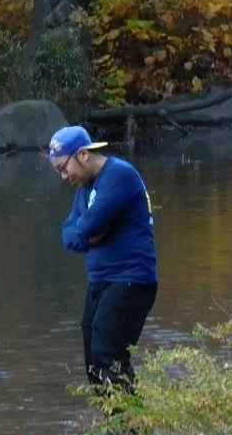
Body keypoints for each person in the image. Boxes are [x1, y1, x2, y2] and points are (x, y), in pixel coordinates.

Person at [48, 124, 158, 386]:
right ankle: (115, 424)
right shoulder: (85, 186)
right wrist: (88, 233)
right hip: (101, 281)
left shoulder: (118, 176)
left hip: (130, 280)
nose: (63, 176)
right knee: (93, 365)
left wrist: (87, 231)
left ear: (83, 154)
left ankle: (131, 425)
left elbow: (86, 227)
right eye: (58, 171)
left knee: (108, 357)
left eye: (64, 167)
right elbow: (69, 233)